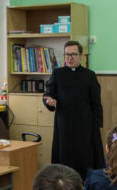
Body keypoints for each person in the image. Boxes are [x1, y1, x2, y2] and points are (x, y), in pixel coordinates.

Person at [42, 40, 104, 179]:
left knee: (85, 160)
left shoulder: (89, 75)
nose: (69, 58)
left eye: (73, 54)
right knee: (64, 163)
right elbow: (47, 95)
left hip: (85, 127)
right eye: (67, 54)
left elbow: (96, 103)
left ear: (80, 55)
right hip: (64, 127)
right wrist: (49, 101)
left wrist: (96, 127)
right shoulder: (57, 74)